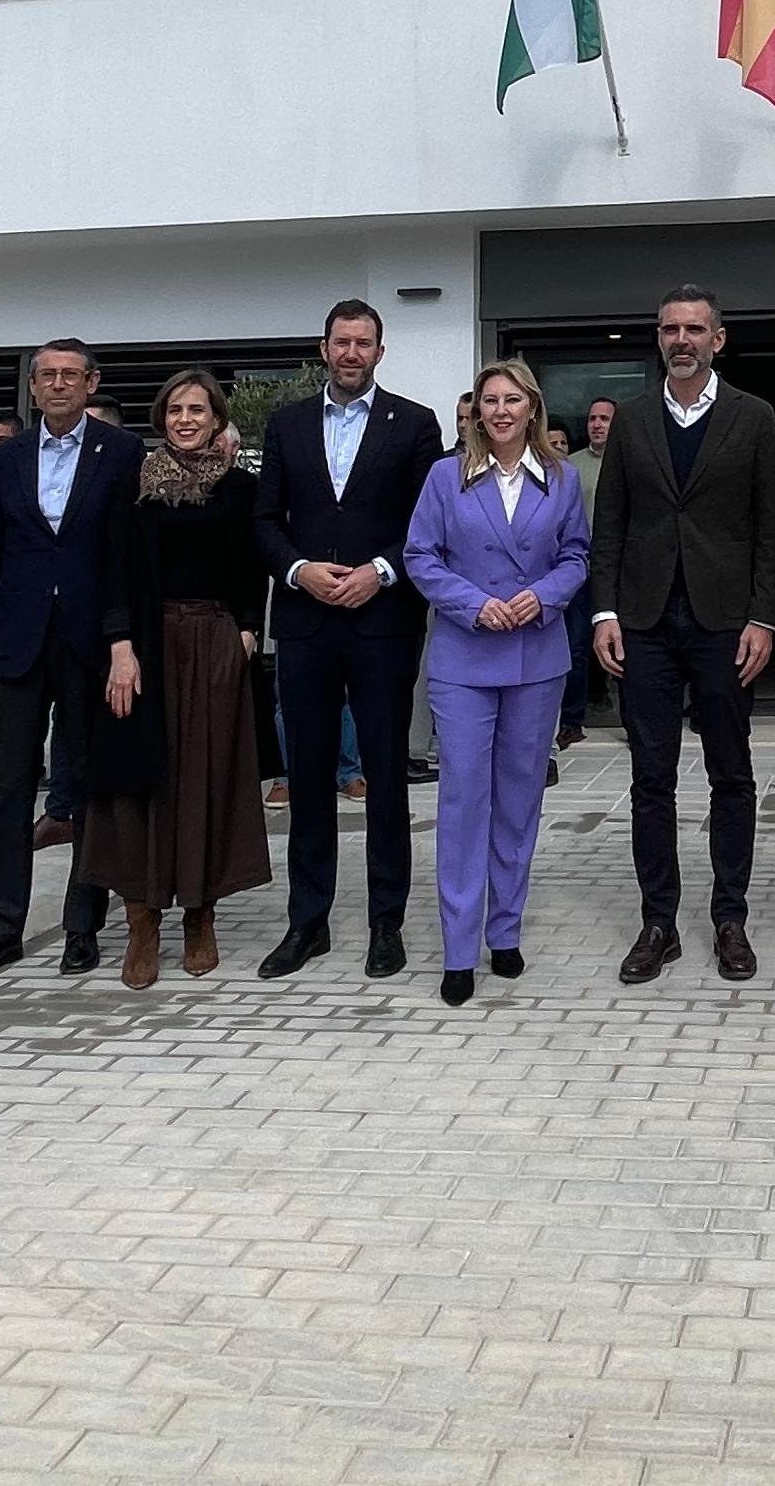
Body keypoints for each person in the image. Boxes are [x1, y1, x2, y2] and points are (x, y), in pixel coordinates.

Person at [588, 286, 775, 986]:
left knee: (731, 774)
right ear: (659, 337)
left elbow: (772, 528)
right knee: (651, 778)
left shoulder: (754, 417)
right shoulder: (634, 421)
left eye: (694, 329)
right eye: (670, 328)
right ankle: (659, 924)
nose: (681, 340)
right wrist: (603, 613)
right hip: (644, 623)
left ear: (717, 339)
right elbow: (610, 524)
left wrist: (764, 618)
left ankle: (730, 918)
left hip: (725, 623)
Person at [252, 303, 444, 979]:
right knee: (307, 777)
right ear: (324, 347)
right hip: (306, 621)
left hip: (381, 621)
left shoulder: (414, 424)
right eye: (342, 342)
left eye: (364, 343)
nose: (352, 353)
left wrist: (381, 572)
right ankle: (308, 923)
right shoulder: (288, 424)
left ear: (380, 352)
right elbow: (264, 519)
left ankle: (386, 923)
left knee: (386, 776)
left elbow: (428, 521)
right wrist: (298, 570)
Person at [0, 341, 155, 979]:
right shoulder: (6, 458)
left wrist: (121, 638)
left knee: (87, 781)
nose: (57, 385)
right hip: (20, 638)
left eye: (70, 375)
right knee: (9, 784)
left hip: (90, 637)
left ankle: (82, 926)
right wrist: (9, 611)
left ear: (90, 382)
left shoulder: (122, 452)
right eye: (46, 375)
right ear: (33, 386)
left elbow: (126, 551)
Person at [406, 361, 591, 1006]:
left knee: (518, 803)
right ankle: (459, 950)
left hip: (536, 658)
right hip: (465, 659)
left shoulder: (561, 478)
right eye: (491, 401)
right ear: (477, 411)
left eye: (514, 399)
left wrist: (542, 596)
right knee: (462, 803)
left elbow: (577, 556)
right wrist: (473, 604)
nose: (502, 411)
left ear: (532, 408)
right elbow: (420, 555)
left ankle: (505, 930)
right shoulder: (445, 476)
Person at [96, 370, 277, 982]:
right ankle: (141, 919)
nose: (185, 420)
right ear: (161, 417)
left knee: (209, 777)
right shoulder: (133, 483)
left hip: (214, 640)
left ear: (217, 418)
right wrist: (120, 647)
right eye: (175, 410)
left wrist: (247, 630)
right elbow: (113, 567)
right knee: (139, 780)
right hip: (144, 644)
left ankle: (200, 913)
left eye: (197, 410)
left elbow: (253, 565)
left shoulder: (240, 486)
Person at [557, 395, 617, 750]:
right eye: (593, 418)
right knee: (576, 647)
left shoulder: (631, 461)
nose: (597, 424)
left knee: (625, 647)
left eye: (604, 419)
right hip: (579, 570)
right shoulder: (571, 467)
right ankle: (571, 721)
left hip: (620, 572)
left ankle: (635, 721)